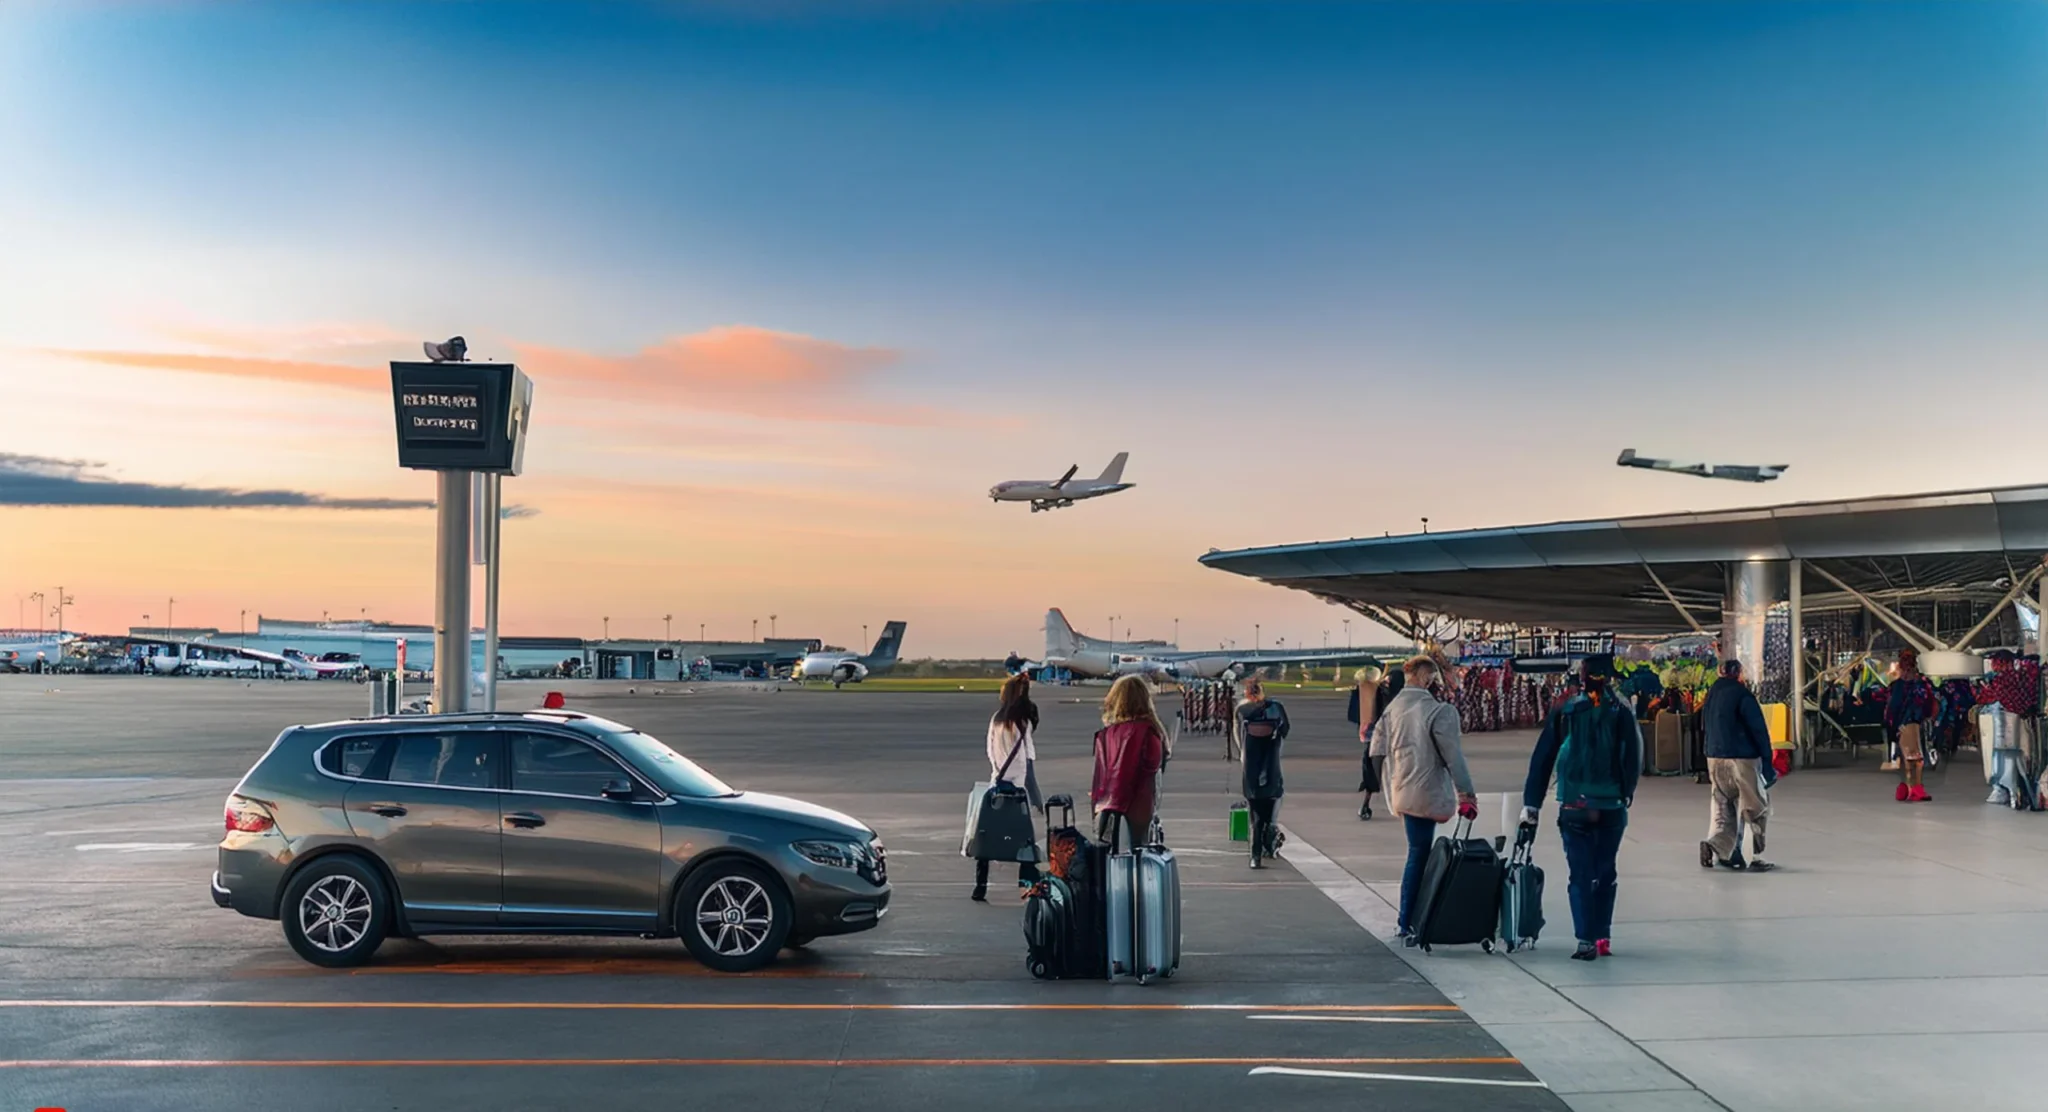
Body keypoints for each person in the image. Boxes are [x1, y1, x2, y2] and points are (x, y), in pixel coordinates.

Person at [1522, 654, 1642, 962]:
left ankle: (1585, 940)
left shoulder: (1565, 710)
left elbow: (1543, 758)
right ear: (1610, 677)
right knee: (1605, 871)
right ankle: (1603, 936)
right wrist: (1626, 791)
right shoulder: (1622, 710)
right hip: (1611, 804)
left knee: (1579, 873)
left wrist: (1531, 804)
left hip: (1574, 803)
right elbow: (1633, 756)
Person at [1378, 655, 1477, 946]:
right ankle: (1409, 919)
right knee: (1419, 854)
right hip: (1427, 791)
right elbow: (1453, 757)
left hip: (1402, 791)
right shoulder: (1438, 711)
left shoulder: (1392, 709)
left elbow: (1375, 751)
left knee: (1416, 851)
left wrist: (1386, 787)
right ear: (1426, 678)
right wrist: (1466, 794)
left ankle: (1407, 920)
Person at [1698, 659, 1777, 872]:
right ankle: (1751, 856)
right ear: (1740, 673)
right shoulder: (1743, 695)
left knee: (1724, 809)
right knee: (1754, 807)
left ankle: (1718, 848)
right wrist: (1768, 762)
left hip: (1714, 758)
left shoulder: (1711, 695)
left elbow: (1703, 726)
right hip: (1741, 758)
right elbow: (1758, 729)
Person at [973, 673, 1043, 902]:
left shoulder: (996, 719)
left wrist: (998, 771)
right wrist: (1036, 799)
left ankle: (980, 887)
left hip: (997, 785)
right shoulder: (1022, 724)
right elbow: (1028, 762)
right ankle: (1028, 885)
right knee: (1026, 842)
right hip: (1018, 790)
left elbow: (989, 751)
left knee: (986, 838)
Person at [1091, 674, 1167, 849]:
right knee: (1138, 859)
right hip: (1137, 810)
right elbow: (1152, 767)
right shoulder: (1148, 732)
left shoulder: (1106, 734)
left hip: (1105, 808)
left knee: (1110, 860)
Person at [1238, 677, 1290, 868]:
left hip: (1251, 770)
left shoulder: (1243, 712)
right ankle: (1270, 842)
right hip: (1272, 768)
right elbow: (1286, 729)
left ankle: (1255, 855)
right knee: (1272, 810)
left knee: (1256, 817)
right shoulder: (1276, 709)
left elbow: (1238, 738)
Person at [1886, 648, 1937, 803]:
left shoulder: (1896, 686)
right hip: (1914, 723)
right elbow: (1929, 702)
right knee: (1916, 758)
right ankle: (1914, 788)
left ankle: (1907, 786)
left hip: (1901, 725)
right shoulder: (1921, 684)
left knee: (1905, 757)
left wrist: (1893, 727)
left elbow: (1892, 707)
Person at [1348, 665, 1390, 820]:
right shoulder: (1386, 693)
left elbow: (1353, 716)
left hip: (1373, 738)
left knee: (1371, 769)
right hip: (1381, 736)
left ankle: (1366, 803)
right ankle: (1366, 803)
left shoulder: (1363, 695)